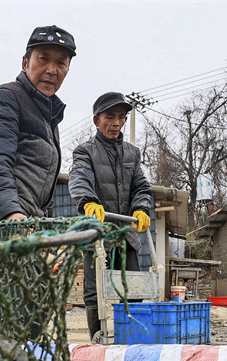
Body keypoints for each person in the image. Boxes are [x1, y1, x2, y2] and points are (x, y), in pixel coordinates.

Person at [0, 25, 76, 225]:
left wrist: (47, 224)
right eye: (43, 59)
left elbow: (44, 189)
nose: (52, 70)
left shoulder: (49, 119)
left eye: (61, 63)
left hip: (27, 218)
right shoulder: (6, 99)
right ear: (25, 63)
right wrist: (10, 213)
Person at [68, 91, 155, 342]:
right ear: (97, 120)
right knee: (95, 292)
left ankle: (133, 342)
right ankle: (98, 341)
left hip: (126, 234)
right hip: (97, 234)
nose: (116, 123)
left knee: (133, 290)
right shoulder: (85, 151)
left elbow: (141, 186)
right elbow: (79, 176)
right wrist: (88, 201)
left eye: (121, 117)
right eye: (110, 117)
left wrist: (141, 207)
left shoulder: (132, 153)